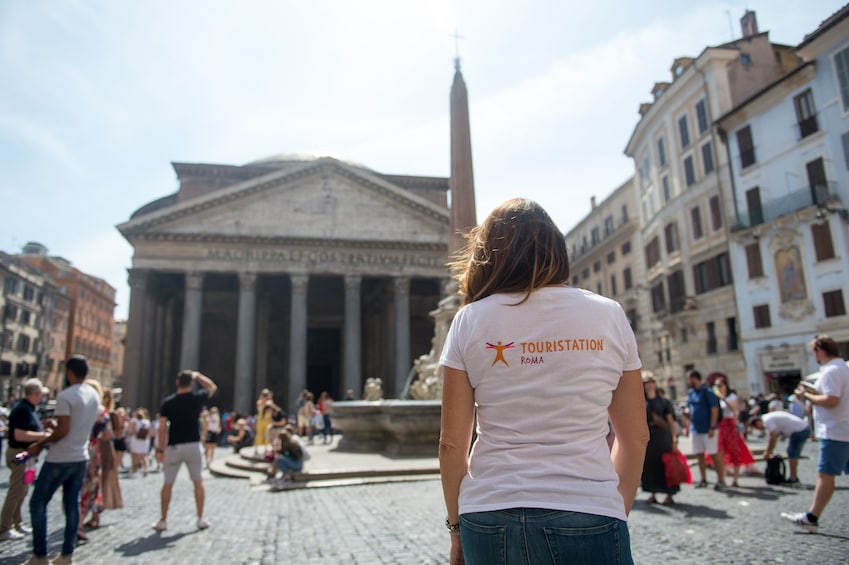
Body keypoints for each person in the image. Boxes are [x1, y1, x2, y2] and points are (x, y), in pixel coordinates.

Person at [438, 198, 648, 565]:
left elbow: (452, 445)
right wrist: (614, 507)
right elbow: (636, 436)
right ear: (557, 249)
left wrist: (456, 530)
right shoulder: (609, 314)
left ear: (489, 253)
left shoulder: (470, 319)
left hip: (489, 510)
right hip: (588, 504)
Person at [25, 355, 100, 565]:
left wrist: (40, 444)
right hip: (81, 457)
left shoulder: (66, 396)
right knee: (72, 503)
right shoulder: (94, 395)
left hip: (60, 457)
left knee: (37, 502)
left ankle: (40, 555)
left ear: (69, 373)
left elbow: (64, 430)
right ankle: (67, 555)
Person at [782, 335, 849, 531]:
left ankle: (812, 517)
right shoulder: (842, 368)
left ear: (820, 350)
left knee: (825, 475)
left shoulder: (831, 372)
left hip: (836, 430)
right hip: (842, 427)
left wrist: (807, 395)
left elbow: (832, 400)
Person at [153, 370, 218, 532]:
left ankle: (163, 520)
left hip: (174, 446)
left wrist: (161, 449)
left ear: (177, 382)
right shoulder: (196, 398)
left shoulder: (168, 402)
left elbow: (162, 429)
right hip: (193, 445)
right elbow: (212, 387)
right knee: (198, 482)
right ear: (191, 383)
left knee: (168, 483)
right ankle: (201, 518)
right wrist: (198, 376)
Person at [1, 379, 51, 541]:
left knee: (23, 489)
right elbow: (18, 434)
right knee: (16, 489)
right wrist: (43, 435)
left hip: (28, 456)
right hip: (20, 453)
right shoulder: (23, 409)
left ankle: (17, 522)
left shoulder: (29, 409)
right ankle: (4, 527)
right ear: (36, 393)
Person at [749, 401, 810, 485]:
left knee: (792, 454)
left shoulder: (766, 420)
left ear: (757, 422)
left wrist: (768, 451)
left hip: (799, 430)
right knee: (792, 453)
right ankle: (793, 477)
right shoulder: (768, 417)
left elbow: (772, 437)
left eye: (757, 427)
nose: (760, 429)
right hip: (801, 427)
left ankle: (793, 478)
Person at [686, 370, 726, 490]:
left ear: (694, 378)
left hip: (708, 428)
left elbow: (714, 409)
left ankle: (721, 479)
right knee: (699, 454)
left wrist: (712, 426)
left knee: (714, 454)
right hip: (695, 428)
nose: (688, 382)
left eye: (689, 379)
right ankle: (703, 479)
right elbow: (689, 407)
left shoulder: (707, 391)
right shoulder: (691, 393)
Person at [641, 375, 678, 505]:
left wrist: (674, 439)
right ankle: (653, 493)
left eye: (651, 383)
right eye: (647, 383)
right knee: (650, 465)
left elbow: (670, 422)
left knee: (666, 465)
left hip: (663, 436)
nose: (650, 385)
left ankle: (669, 494)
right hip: (648, 436)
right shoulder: (641, 402)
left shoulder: (664, 402)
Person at [713, 378, 755, 487]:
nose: (718, 388)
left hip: (730, 424)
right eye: (716, 386)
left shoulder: (732, 397)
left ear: (725, 385)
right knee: (720, 451)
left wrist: (723, 398)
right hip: (721, 425)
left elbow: (734, 409)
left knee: (734, 450)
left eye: (720, 385)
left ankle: (735, 479)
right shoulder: (717, 398)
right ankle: (722, 477)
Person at [128, 408, 151, 477]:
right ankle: (145, 469)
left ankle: (134, 469)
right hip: (144, 441)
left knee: (134, 455)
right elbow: (149, 432)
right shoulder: (147, 422)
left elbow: (131, 431)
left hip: (136, 440)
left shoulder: (134, 421)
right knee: (143, 456)